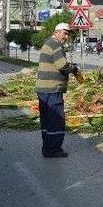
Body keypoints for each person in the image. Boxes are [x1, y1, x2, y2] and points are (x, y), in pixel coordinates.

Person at [35, 22, 79, 158]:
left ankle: (47, 148)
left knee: (47, 121)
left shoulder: (48, 43)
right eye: (65, 33)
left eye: (68, 34)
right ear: (57, 31)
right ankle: (54, 149)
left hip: (43, 89)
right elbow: (62, 65)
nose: (66, 36)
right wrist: (74, 69)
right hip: (53, 89)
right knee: (56, 120)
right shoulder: (56, 45)